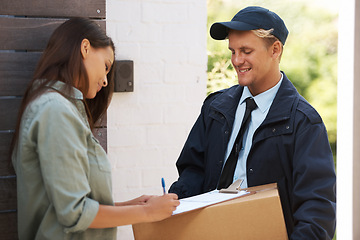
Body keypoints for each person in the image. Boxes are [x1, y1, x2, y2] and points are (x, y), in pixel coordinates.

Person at [169, 6, 336, 239]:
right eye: (233, 51)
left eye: (246, 51)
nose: (237, 60)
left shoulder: (304, 122)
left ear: (275, 50)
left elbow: (317, 209)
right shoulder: (215, 108)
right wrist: (172, 202)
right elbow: (193, 170)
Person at [10, 17, 179, 240]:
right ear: (85, 48)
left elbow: (64, 206)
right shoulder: (55, 110)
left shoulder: (59, 107)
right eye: (106, 66)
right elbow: (75, 213)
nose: (106, 81)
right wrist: (147, 212)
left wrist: (129, 205)